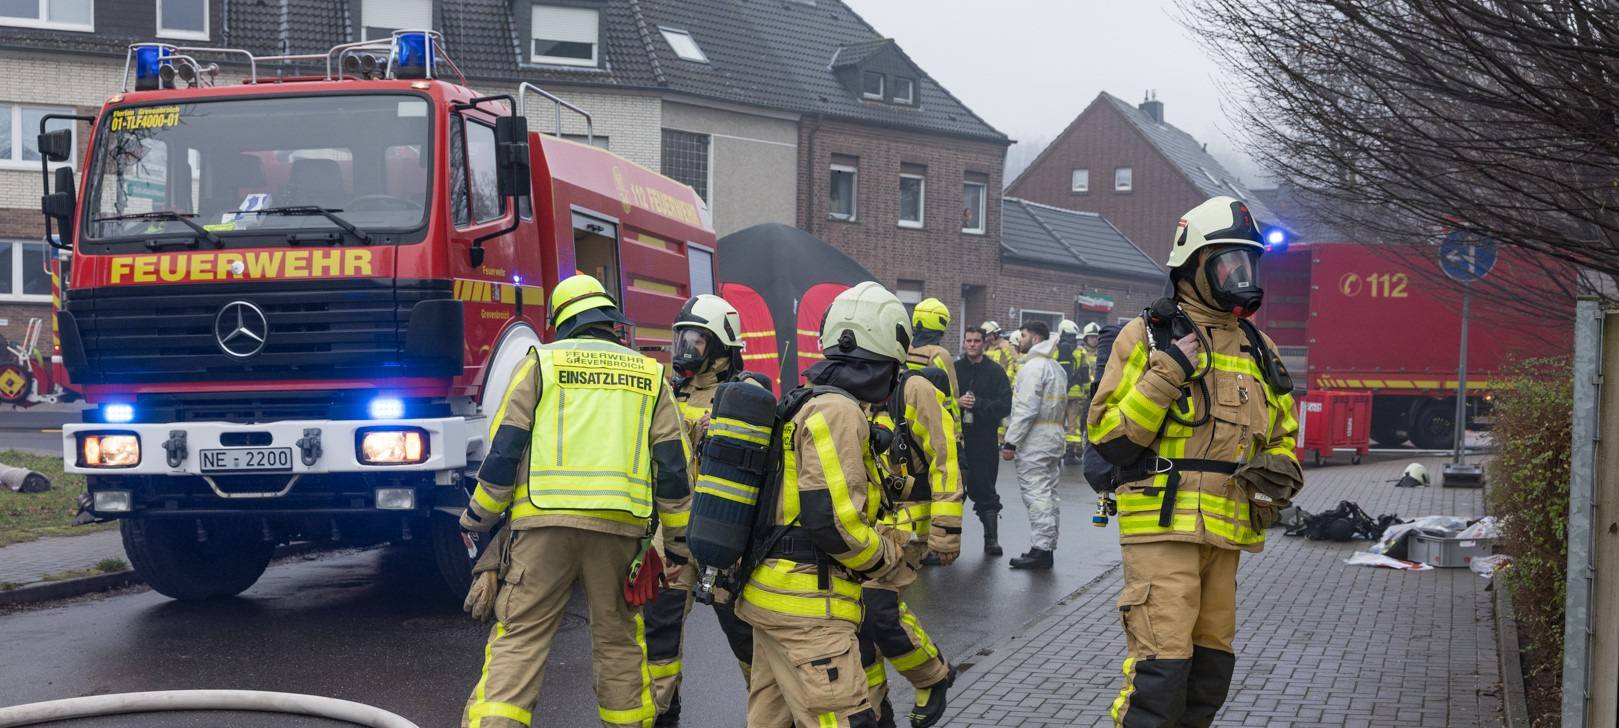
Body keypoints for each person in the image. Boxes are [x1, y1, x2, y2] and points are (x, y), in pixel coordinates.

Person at [1089, 196, 1303, 727]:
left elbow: (1283, 434)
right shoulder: (1146, 337)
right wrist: (1167, 371)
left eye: (1249, 263)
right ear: (1192, 264)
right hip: (1161, 530)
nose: (1242, 276)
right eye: (1229, 263)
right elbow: (1108, 436)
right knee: (1160, 677)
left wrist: (1276, 474)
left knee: (1208, 679)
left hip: (1227, 534)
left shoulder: (1259, 348)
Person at [460, 273, 693, 728]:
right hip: (620, 536)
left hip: (542, 530)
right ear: (610, 321)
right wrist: (680, 545)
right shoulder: (649, 375)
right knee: (620, 643)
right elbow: (673, 467)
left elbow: (505, 448)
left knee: (521, 638)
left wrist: (477, 517)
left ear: (560, 321)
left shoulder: (540, 363)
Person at [738, 281, 909, 728]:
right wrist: (886, 556)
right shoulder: (838, 411)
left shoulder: (805, 400)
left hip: (774, 598)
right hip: (811, 614)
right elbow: (832, 523)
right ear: (883, 360)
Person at [642, 294, 761, 727]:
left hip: (726, 532)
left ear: (721, 346)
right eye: (680, 340)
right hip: (674, 531)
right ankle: (662, 708)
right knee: (659, 624)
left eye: (694, 342)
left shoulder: (746, 394)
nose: (683, 352)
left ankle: (772, 711)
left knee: (744, 631)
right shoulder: (669, 393)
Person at [859, 356, 962, 727]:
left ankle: (933, 676)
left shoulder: (913, 390)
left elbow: (945, 458)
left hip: (907, 523)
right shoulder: (851, 392)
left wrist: (946, 532)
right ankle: (874, 710)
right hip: (864, 527)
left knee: (877, 610)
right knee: (855, 623)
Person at [999, 320, 1067, 570]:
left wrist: (1010, 442)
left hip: (1034, 442)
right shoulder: (1056, 368)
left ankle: (1041, 550)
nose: (1020, 338)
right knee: (1048, 494)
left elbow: (1026, 410)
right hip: (1053, 439)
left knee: (1036, 494)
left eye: (1024, 335)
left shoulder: (1032, 368)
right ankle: (1046, 546)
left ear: (1036, 339)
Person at [954, 326, 1012, 555]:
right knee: (953, 492)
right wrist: (957, 403)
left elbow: (1004, 406)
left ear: (983, 343)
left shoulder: (995, 372)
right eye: (968, 340)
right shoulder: (954, 369)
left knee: (985, 489)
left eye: (976, 341)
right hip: (958, 439)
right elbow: (940, 399)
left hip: (983, 439)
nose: (971, 344)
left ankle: (991, 540)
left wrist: (978, 405)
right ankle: (946, 543)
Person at [907, 298, 958, 413]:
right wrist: (956, 429)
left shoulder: (903, 348)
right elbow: (950, 397)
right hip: (927, 416)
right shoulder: (939, 354)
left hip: (899, 414)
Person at [1055, 319, 1092, 450]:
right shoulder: (1080, 350)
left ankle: (1057, 449)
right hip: (1076, 393)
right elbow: (1085, 372)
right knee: (1074, 423)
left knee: (1057, 423)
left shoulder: (1055, 349)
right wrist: (1088, 392)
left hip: (1059, 393)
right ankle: (1073, 450)